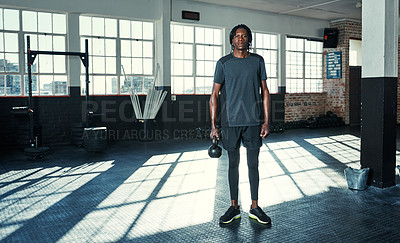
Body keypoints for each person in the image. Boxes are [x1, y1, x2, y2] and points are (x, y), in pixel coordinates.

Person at [209, 24, 271, 225]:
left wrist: (267, 121)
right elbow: (214, 95)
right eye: (237, 36)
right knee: (233, 165)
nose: (240, 39)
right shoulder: (223, 63)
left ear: (249, 40)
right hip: (230, 122)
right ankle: (234, 207)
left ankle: (254, 207)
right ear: (231, 40)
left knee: (253, 165)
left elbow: (265, 92)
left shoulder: (257, 61)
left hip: (253, 122)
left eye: (244, 36)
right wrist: (213, 125)